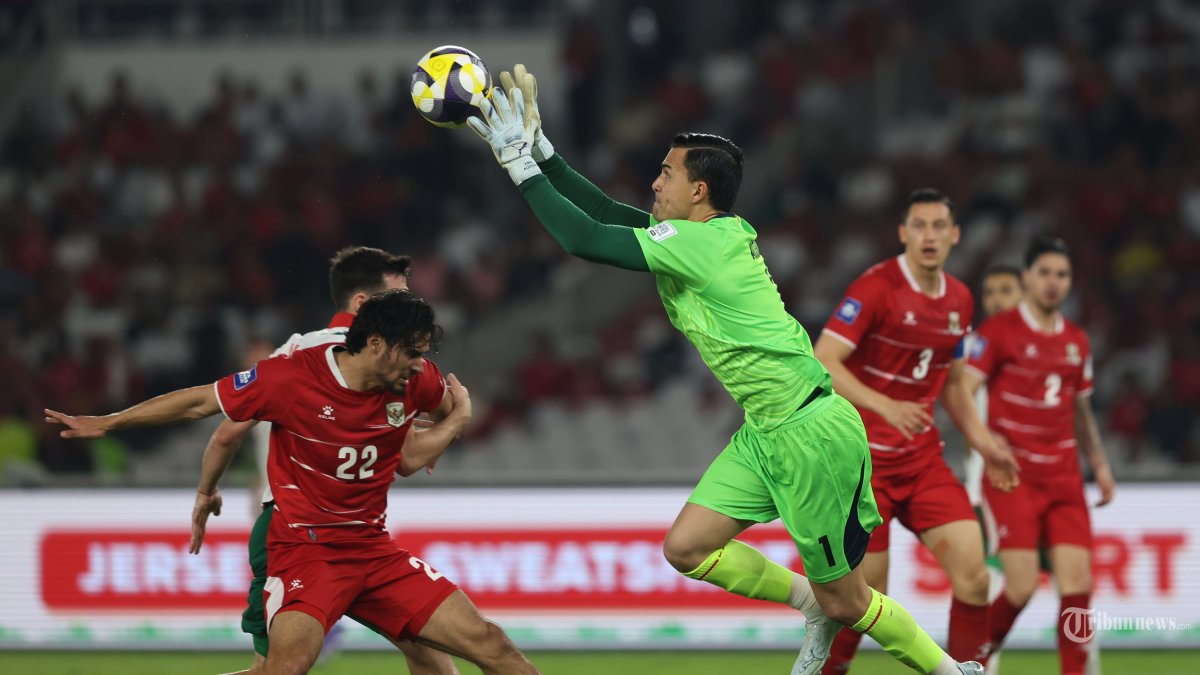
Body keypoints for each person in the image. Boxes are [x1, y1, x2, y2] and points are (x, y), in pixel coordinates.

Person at [466, 65, 983, 675]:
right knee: (686, 547)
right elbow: (606, 209)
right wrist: (545, 154)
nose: (654, 182)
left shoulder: (701, 244)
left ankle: (952, 672)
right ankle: (808, 605)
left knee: (848, 600)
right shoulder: (700, 236)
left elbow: (585, 238)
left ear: (699, 193)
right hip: (767, 430)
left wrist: (518, 166)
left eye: (666, 173)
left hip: (810, 435)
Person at [47, 291, 540, 675]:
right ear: (374, 344)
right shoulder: (290, 380)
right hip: (307, 550)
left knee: (492, 645)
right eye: (412, 352)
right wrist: (111, 422)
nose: (420, 363)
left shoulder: (415, 380)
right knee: (285, 668)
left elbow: (418, 439)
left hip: (372, 549)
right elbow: (200, 402)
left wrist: (448, 427)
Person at [188, 247, 458, 675]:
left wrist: (207, 491)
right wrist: (205, 492)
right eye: (399, 294)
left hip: (354, 535)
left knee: (424, 646)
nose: (411, 305)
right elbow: (226, 427)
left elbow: (406, 424)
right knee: (276, 669)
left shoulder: (312, 352)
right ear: (364, 305)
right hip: (296, 530)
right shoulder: (314, 359)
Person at [812, 190, 1020, 672]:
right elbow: (825, 359)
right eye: (920, 226)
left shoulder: (961, 299)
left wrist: (986, 446)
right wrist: (887, 405)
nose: (930, 235)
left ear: (954, 235)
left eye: (939, 226)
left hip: (922, 461)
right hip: (863, 465)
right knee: (865, 600)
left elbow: (952, 386)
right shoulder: (876, 287)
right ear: (903, 233)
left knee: (974, 576)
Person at [962, 237, 1115, 675]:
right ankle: (973, 659)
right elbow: (961, 392)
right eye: (1045, 273)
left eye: (1062, 275)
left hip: (1064, 478)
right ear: (1027, 277)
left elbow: (1080, 410)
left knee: (1078, 587)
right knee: (1021, 586)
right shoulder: (998, 333)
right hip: (1014, 478)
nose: (1053, 283)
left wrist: (1100, 466)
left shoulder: (1077, 341)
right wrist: (989, 446)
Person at [961, 265, 1023, 675]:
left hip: (1037, 485)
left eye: (1006, 290)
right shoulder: (968, 349)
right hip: (983, 489)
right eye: (990, 291)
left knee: (1071, 586)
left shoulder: (1043, 348)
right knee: (990, 585)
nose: (997, 299)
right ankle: (983, 667)